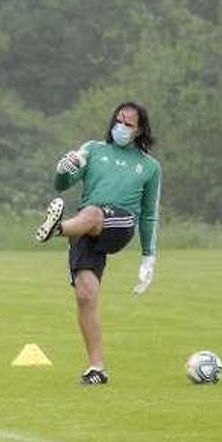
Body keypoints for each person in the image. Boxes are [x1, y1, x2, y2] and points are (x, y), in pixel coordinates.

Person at [34, 101, 161, 386]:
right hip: (84, 228)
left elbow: (150, 214)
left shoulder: (150, 167)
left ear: (140, 129)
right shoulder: (92, 149)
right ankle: (97, 369)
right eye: (119, 121)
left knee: (90, 213)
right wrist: (62, 169)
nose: (122, 127)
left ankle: (56, 229)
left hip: (120, 223)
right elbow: (62, 185)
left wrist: (148, 258)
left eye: (129, 124)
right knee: (86, 294)